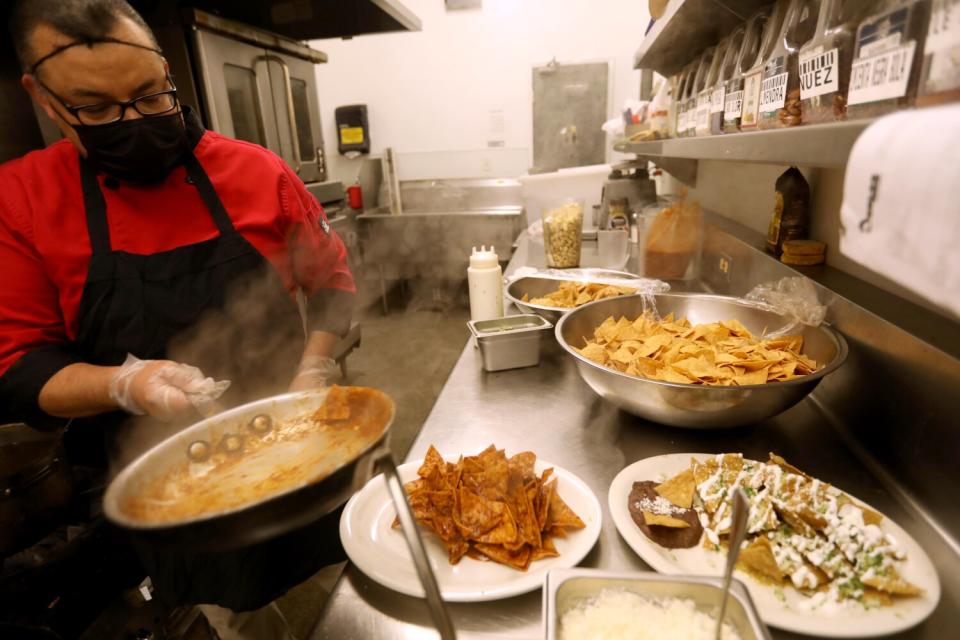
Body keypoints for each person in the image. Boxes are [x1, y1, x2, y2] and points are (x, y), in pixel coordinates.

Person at [0, 1, 355, 637]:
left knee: (341, 593)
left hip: (296, 448)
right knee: (225, 615)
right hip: (161, 483)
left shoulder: (255, 170)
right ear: (44, 98)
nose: (133, 121)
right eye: (98, 108)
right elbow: (21, 367)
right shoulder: (20, 200)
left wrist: (315, 367)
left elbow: (331, 283)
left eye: (149, 95)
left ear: (167, 71)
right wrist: (122, 385)